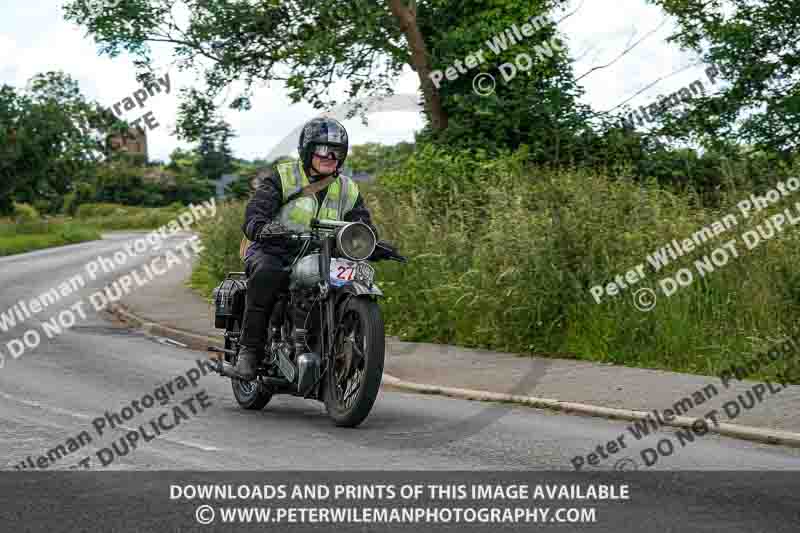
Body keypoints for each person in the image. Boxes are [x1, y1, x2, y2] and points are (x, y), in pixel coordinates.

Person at [232, 117, 377, 380]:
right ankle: (249, 351)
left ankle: (329, 343)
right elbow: (256, 212)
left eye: (337, 151)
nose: (331, 156)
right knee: (267, 273)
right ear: (308, 150)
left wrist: (372, 241)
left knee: (350, 278)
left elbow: (361, 223)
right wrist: (262, 228)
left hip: (321, 254)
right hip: (275, 249)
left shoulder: (347, 187)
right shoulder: (283, 176)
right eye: (323, 149)